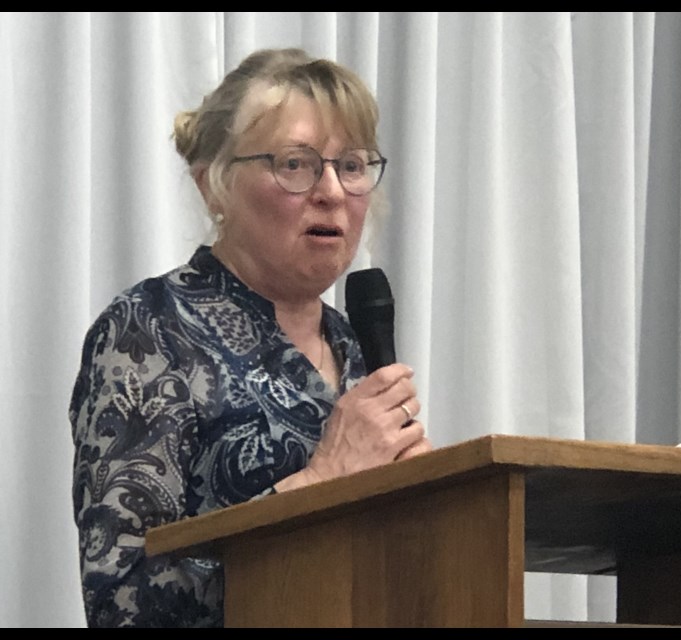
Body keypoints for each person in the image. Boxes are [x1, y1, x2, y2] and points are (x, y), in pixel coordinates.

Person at [68, 47, 431, 628]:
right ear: (214, 185)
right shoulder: (150, 328)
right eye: (296, 164)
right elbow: (123, 601)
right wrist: (321, 481)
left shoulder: (352, 345)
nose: (333, 191)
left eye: (353, 165)